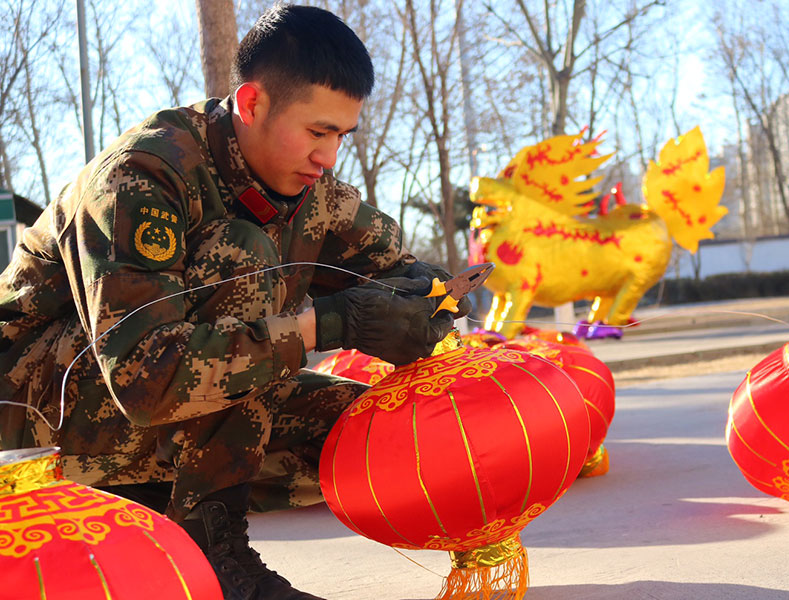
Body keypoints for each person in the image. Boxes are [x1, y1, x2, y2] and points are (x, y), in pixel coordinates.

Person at [0, 5, 470, 600]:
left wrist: (423, 298)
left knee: (360, 431)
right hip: (36, 417)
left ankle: (153, 501)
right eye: (318, 131)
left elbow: (394, 262)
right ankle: (214, 555)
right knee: (241, 257)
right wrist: (330, 322)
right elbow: (146, 375)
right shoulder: (145, 174)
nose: (328, 156)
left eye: (342, 137)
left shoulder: (308, 186)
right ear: (251, 105)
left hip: (146, 414)